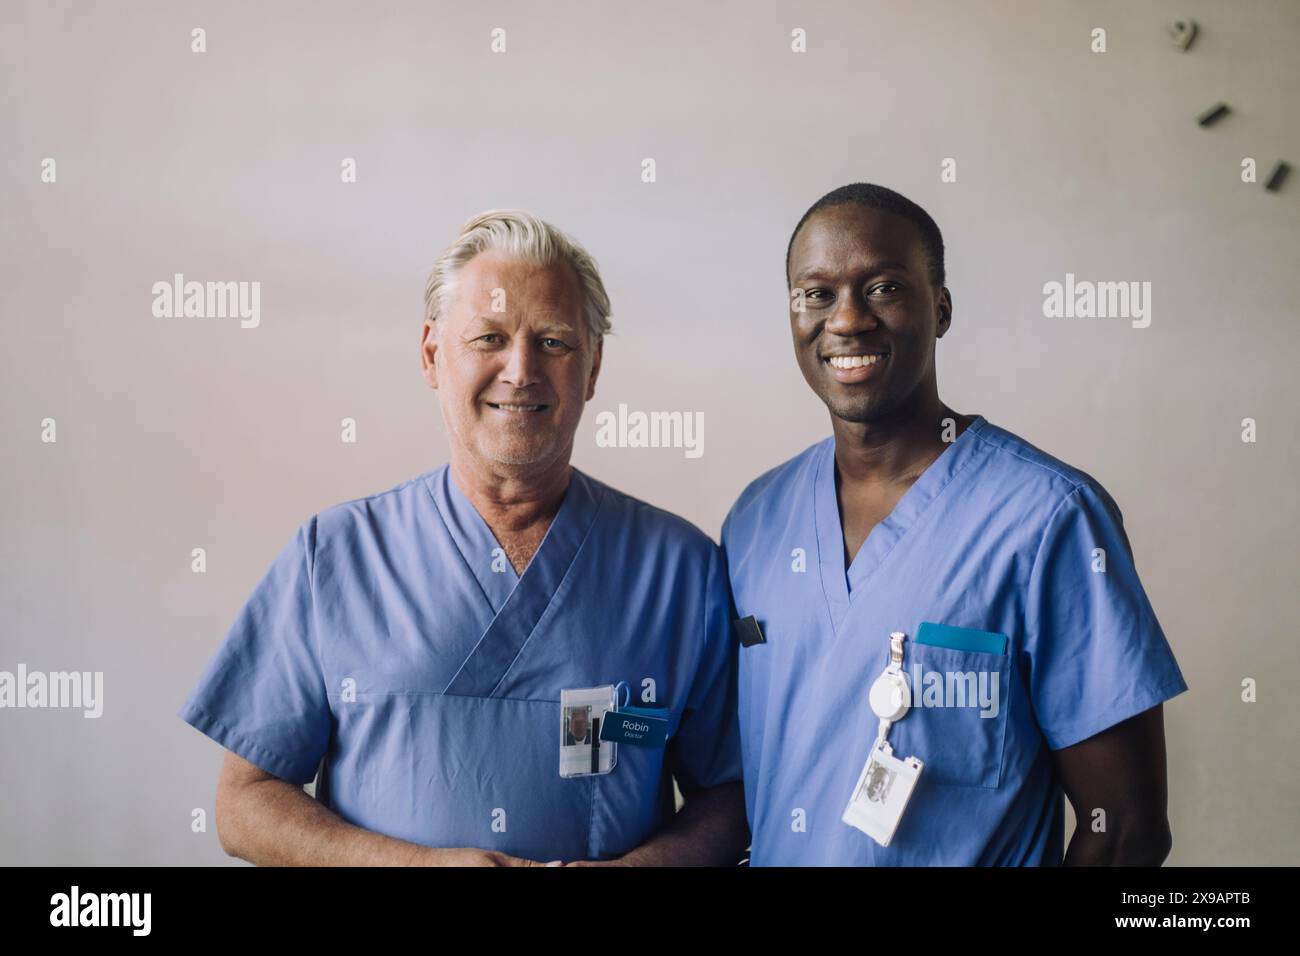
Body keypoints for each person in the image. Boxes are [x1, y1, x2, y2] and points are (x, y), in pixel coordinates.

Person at [180, 210, 747, 866]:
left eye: (555, 342)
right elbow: (245, 800)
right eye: (489, 337)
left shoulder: (678, 571)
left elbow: (729, 794)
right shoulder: (333, 557)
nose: (520, 370)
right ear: (431, 356)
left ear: (592, 369)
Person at [722, 183, 1188, 866]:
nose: (847, 320)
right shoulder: (756, 521)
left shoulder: (1047, 516)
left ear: (940, 309)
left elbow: (1124, 831)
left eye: (882, 287)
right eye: (816, 294)